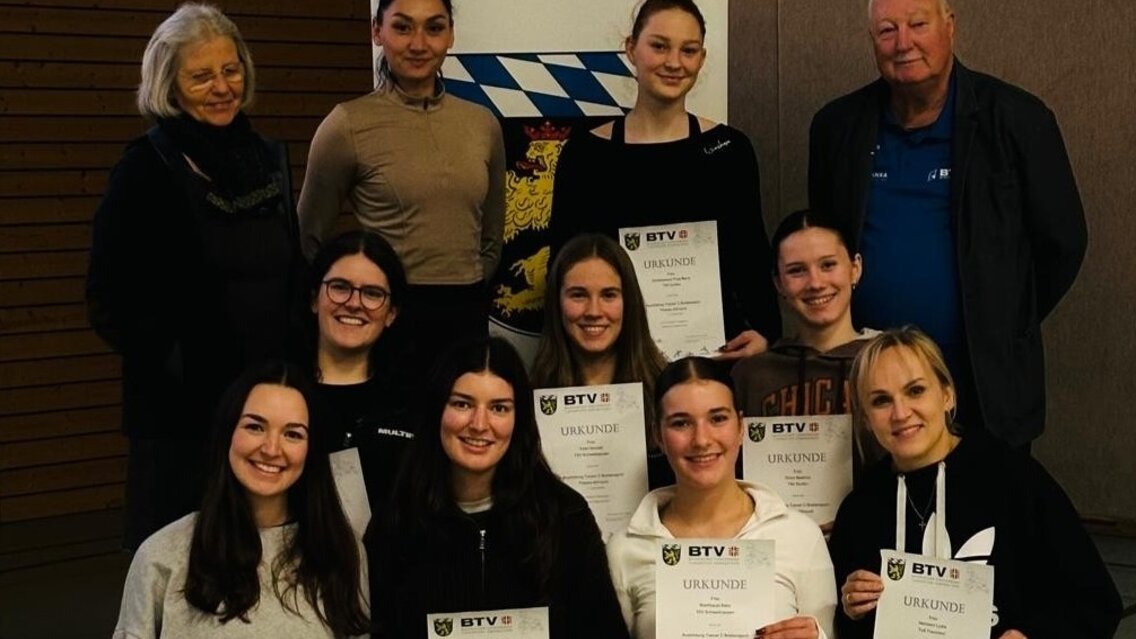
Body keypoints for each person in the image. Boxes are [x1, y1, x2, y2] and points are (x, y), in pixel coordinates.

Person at [808, 0, 1087, 447]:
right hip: (871, 387)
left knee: (990, 492)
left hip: (987, 385)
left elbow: (1063, 242)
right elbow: (823, 247)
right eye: (887, 30)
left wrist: (1001, 318)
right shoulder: (837, 127)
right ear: (872, 41)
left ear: (950, 27)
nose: (903, 43)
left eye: (918, 24)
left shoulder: (1018, 119)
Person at [86, 3, 306, 550]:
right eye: (201, 76)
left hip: (265, 401)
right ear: (170, 85)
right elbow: (108, 300)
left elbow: (288, 270)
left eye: (230, 70)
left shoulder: (268, 158)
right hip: (180, 419)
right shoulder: (143, 169)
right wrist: (181, 364)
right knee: (181, 563)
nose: (222, 87)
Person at [829, 327, 1121, 639]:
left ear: (947, 394)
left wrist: (1033, 635)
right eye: (881, 401)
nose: (900, 413)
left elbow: (1097, 604)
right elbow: (842, 628)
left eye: (915, 391)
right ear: (865, 419)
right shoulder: (860, 509)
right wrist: (851, 611)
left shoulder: (1013, 480)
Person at [548, 0, 780, 360]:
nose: (674, 62)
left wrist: (766, 332)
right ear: (631, 49)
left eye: (688, 50)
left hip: (711, 361)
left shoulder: (730, 151)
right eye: (659, 46)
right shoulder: (586, 155)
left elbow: (750, 255)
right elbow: (562, 267)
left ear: (702, 58)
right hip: (612, 359)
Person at [366, 337, 628, 638]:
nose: (479, 424)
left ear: (519, 420)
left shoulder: (566, 518)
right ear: (437, 410)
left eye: (499, 408)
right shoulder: (396, 521)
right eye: (462, 404)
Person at [298, 0, 506, 379]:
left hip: (466, 315)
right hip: (386, 317)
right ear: (377, 31)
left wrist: (467, 290)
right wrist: (362, 299)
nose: (419, 44)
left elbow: (492, 238)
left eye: (434, 28)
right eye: (403, 27)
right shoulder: (347, 124)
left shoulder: (482, 125)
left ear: (451, 35)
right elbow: (307, 239)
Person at [113, 360, 369, 638]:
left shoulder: (341, 552)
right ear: (228, 433)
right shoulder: (160, 556)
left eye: (292, 434)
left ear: (311, 450)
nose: (271, 449)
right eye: (255, 427)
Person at [606, 356, 837, 639]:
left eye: (717, 419)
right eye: (681, 423)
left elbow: (829, 633)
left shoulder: (800, 535)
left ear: (740, 427)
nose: (701, 440)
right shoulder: (625, 549)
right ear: (658, 435)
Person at [732, 210, 881, 468]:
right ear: (778, 283)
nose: (815, 283)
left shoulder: (889, 363)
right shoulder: (752, 375)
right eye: (797, 270)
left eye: (828, 265)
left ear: (855, 268)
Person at [530, 233, 672, 487]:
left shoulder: (668, 392)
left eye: (609, 295)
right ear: (556, 302)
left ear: (629, 302)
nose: (594, 311)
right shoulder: (528, 398)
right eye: (578, 295)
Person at [305, 230, 416, 512]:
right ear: (314, 299)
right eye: (340, 287)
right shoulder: (277, 391)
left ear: (391, 313)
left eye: (372, 293)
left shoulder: (413, 405)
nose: (354, 303)